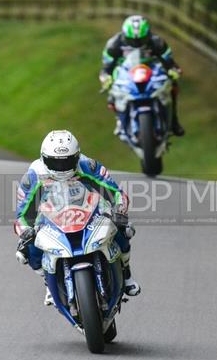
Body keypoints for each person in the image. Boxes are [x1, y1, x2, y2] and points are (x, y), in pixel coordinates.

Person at [14, 130, 141, 306]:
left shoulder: (88, 165)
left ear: (77, 156)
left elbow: (117, 192)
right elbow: (21, 214)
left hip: (89, 210)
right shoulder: (33, 175)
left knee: (122, 230)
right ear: (44, 158)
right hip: (50, 216)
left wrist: (120, 210)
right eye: (55, 162)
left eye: (67, 161)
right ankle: (48, 283)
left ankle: (126, 274)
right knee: (30, 247)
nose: (62, 167)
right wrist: (25, 231)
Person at [99, 14, 185, 138]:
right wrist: (106, 77)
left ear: (148, 34)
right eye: (133, 41)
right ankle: (119, 119)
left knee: (173, 86)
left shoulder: (157, 42)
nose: (137, 43)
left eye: (141, 40)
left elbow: (168, 61)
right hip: (126, 76)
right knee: (111, 94)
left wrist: (173, 70)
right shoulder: (114, 44)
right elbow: (107, 66)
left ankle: (174, 120)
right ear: (124, 35)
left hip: (151, 74)